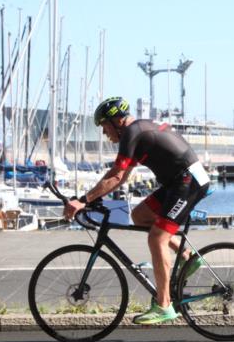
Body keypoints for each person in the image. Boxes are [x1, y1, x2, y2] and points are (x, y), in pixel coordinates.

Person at [63, 97, 211, 325]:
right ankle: (186, 257)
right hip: (178, 182)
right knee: (140, 215)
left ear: (116, 121)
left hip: (187, 182)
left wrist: (83, 200)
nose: (104, 133)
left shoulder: (133, 132)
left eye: (104, 126)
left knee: (157, 239)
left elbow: (117, 177)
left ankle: (164, 306)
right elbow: (119, 174)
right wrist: (91, 198)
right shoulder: (137, 130)